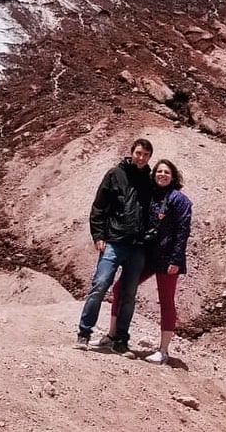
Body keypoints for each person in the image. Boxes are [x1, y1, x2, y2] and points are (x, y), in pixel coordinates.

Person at [99, 158, 192, 365]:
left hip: (168, 258)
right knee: (119, 288)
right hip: (147, 255)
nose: (162, 175)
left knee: (166, 301)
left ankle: (163, 350)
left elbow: (182, 232)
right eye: (159, 171)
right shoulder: (150, 196)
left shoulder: (180, 200)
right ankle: (112, 335)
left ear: (173, 176)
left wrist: (176, 259)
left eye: (166, 172)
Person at [76, 138, 154, 353]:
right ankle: (84, 332)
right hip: (114, 241)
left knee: (128, 295)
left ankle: (121, 339)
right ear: (131, 153)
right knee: (100, 285)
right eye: (138, 153)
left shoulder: (149, 180)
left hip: (137, 246)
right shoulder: (114, 174)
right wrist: (98, 235)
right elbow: (99, 206)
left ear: (149, 157)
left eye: (146, 155)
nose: (141, 157)